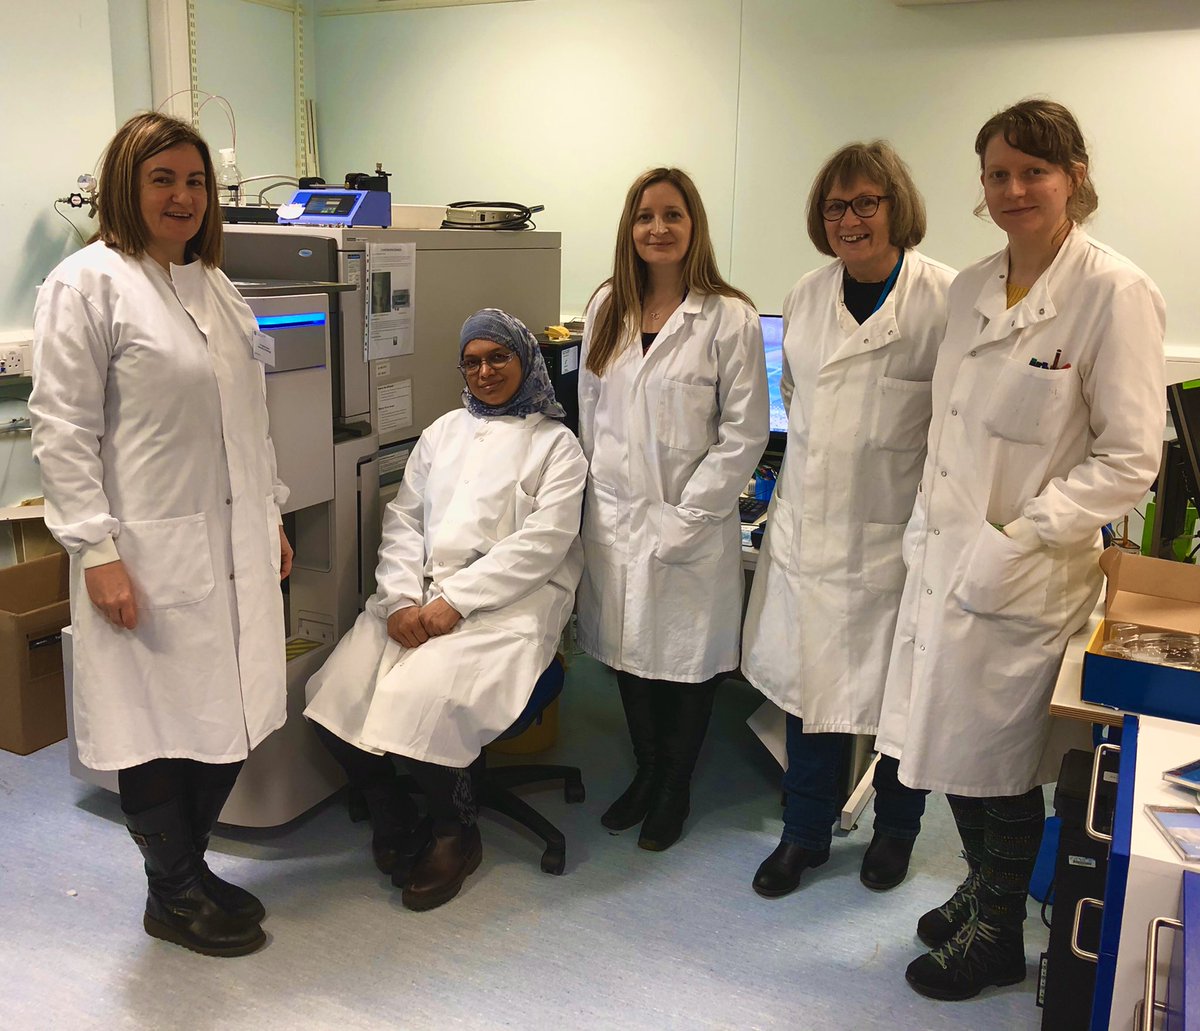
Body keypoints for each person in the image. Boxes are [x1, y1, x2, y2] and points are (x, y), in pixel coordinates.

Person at [875, 99, 1166, 1000]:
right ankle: (986, 886)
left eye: (1033, 171)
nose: (1013, 189)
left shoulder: (1113, 291)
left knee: (996, 761)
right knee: (947, 749)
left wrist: (1020, 535)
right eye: (997, 174)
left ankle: (1001, 931)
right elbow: (950, 429)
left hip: (1024, 571)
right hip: (945, 560)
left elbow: (1130, 460)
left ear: (1074, 176)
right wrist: (936, 535)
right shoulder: (969, 287)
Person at [29, 112, 293, 957]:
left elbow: (250, 423)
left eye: (195, 182)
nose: (183, 196)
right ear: (125, 185)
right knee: (155, 725)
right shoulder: (87, 283)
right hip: (143, 552)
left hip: (235, 544)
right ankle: (171, 891)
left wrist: (272, 515)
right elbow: (61, 430)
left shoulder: (215, 285)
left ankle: (188, 866)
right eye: (162, 179)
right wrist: (95, 551)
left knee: (229, 719)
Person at [304, 308, 586, 911]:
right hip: (420, 596)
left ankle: (457, 832)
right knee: (334, 692)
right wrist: (403, 598)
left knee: (419, 700)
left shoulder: (556, 446)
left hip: (512, 605)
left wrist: (457, 602)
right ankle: (391, 811)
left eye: (499, 358)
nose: (485, 372)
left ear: (524, 360)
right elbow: (404, 521)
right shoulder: (440, 433)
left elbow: (544, 544)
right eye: (473, 361)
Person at [740, 142, 955, 898]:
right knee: (811, 692)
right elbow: (795, 392)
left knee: (899, 698)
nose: (851, 219)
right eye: (836, 206)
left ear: (896, 207)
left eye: (867, 202)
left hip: (898, 541)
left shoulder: (944, 300)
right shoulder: (806, 293)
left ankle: (897, 829)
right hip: (809, 531)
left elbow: (956, 425)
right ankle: (804, 834)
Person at [577, 167, 769, 852]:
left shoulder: (728, 315)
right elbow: (590, 418)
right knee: (627, 657)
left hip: (692, 521)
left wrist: (689, 515)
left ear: (694, 227)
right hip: (614, 520)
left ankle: (676, 786)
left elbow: (744, 432)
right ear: (630, 229)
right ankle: (647, 772)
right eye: (644, 216)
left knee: (685, 666)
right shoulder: (607, 307)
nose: (657, 229)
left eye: (672, 215)